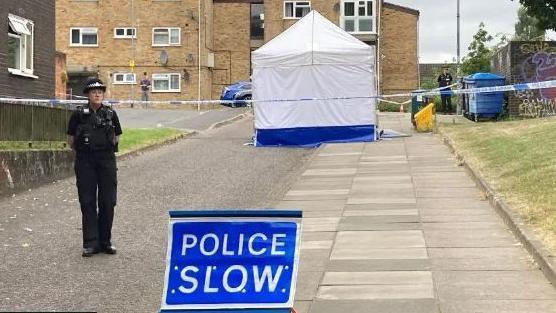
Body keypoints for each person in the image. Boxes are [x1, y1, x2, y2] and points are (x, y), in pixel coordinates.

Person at [67, 78, 123, 257]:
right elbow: (70, 140)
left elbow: (116, 137)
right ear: (87, 95)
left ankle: (105, 241)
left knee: (108, 201)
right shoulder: (77, 115)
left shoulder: (110, 114)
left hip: (106, 160)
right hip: (85, 161)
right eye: (94, 92)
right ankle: (91, 243)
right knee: (87, 201)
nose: (97, 94)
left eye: (100, 91)